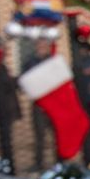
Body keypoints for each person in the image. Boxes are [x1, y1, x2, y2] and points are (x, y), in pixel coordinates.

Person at [21, 38, 56, 171]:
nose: (42, 48)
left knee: (56, 134)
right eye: (40, 45)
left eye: (45, 45)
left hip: (54, 104)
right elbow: (24, 81)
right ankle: (39, 163)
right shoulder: (30, 62)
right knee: (39, 135)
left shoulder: (54, 62)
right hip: (39, 103)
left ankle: (58, 162)